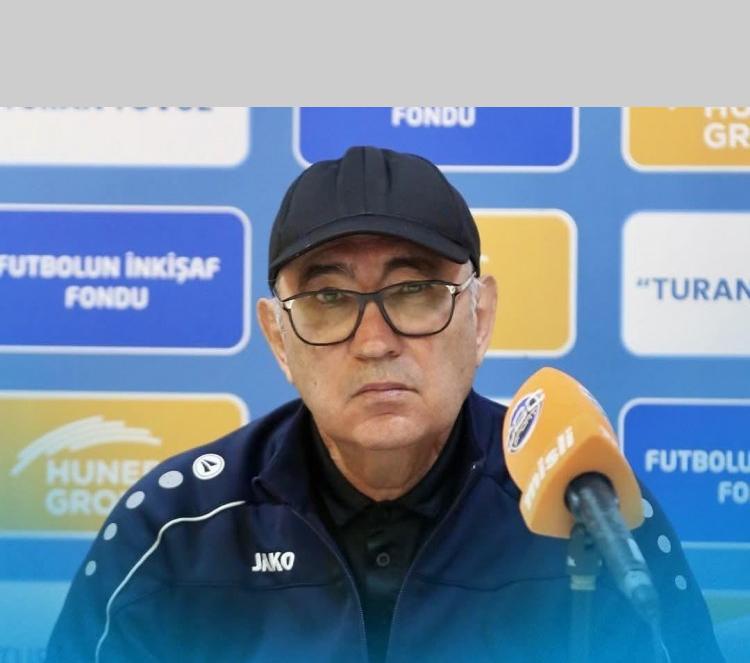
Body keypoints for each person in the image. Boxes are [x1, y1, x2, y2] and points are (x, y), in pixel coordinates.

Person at [46, 146, 724, 663]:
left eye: (414, 292)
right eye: (329, 298)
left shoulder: (587, 510)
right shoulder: (177, 530)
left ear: (481, 317)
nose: (374, 342)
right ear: (279, 338)